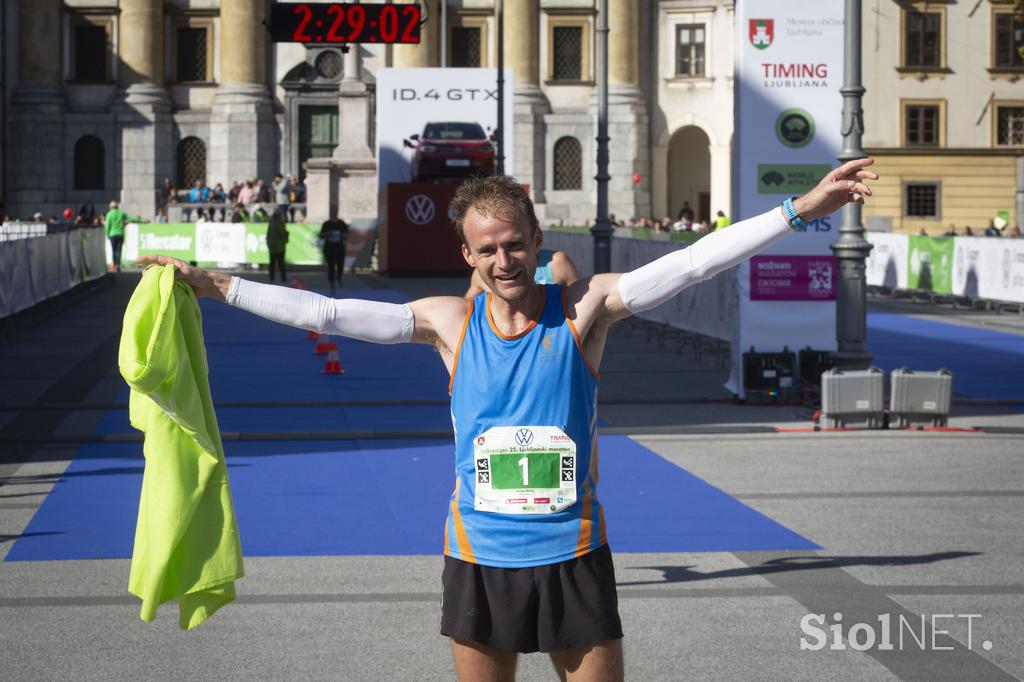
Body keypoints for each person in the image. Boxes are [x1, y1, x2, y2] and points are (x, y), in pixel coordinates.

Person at [137, 158, 877, 681]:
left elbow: (692, 264)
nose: (504, 260)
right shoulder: (448, 324)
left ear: (536, 237)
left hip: (574, 557)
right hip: (480, 559)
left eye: (515, 244)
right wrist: (217, 286)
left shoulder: (585, 312)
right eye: (487, 249)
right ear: (466, 254)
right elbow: (327, 311)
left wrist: (799, 211)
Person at [465, 247, 580, 298]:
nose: (504, 263)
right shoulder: (482, 273)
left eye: (514, 244)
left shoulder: (557, 262)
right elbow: (466, 309)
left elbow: (583, 303)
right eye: (489, 250)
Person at [104, 200, 143, 273]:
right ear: (117, 206)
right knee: (119, 250)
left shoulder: (109, 214)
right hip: (120, 234)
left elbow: (108, 225)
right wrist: (141, 220)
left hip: (112, 234)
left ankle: (114, 265)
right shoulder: (121, 213)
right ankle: (118, 265)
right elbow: (131, 219)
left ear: (110, 207)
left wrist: (107, 234)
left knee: (113, 250)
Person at [319, 204, 348, 292]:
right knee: (331, 266)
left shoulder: (341, 223)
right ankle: (332, 283)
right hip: (329, 248)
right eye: (332, 211)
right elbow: (321, 235)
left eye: (335, 211)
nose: (334, 212)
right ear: (330, 212)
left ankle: (339, 276)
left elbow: (346, 234)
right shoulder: (326, 224)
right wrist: (327, 234)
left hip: (339, 247)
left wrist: (342, 235)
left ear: (337, 212)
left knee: (340, 264)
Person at [266, 210, 289, 283]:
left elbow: (283, 232)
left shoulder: (281, 223)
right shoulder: (271, 223)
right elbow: (268, 234)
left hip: (280, 247)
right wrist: (268, 243)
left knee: (281, 264)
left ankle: (283, 278)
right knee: (272, 264)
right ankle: (271, 278)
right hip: (273, 247)